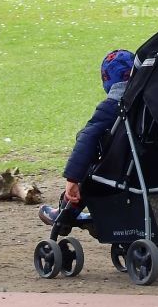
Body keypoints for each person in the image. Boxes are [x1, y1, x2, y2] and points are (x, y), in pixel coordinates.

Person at [38, 48, 134, 227]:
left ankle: (66, 214)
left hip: (118, 172)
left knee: (91, 173)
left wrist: (72, 178)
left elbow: (87, 140)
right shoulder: (151, 107)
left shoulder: (112, 107)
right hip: (154, 171)